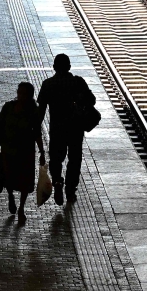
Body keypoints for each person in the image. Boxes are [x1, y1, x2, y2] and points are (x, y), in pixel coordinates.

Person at [38, 53, 95, 205]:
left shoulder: (48, 84)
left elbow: (41, 110)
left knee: (56, 158)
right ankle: (70, 189)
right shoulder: (77, 82)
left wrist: (35, 128)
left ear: (54, 67)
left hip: (57, 129)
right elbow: (92, 100)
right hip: (76, 128)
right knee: (74, 159)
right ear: (69, 67)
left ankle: (57, 181)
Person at [0, 82, 45, 223]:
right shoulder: (8, 107)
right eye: (20, 93)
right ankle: (10, 195)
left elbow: (37, 132)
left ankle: (21, 207)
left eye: (25, 94)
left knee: (25, 180)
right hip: (8, 149)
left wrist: (42, 152)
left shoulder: (33, 111)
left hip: (25, 151)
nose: (21, 96)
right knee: (8, 176)